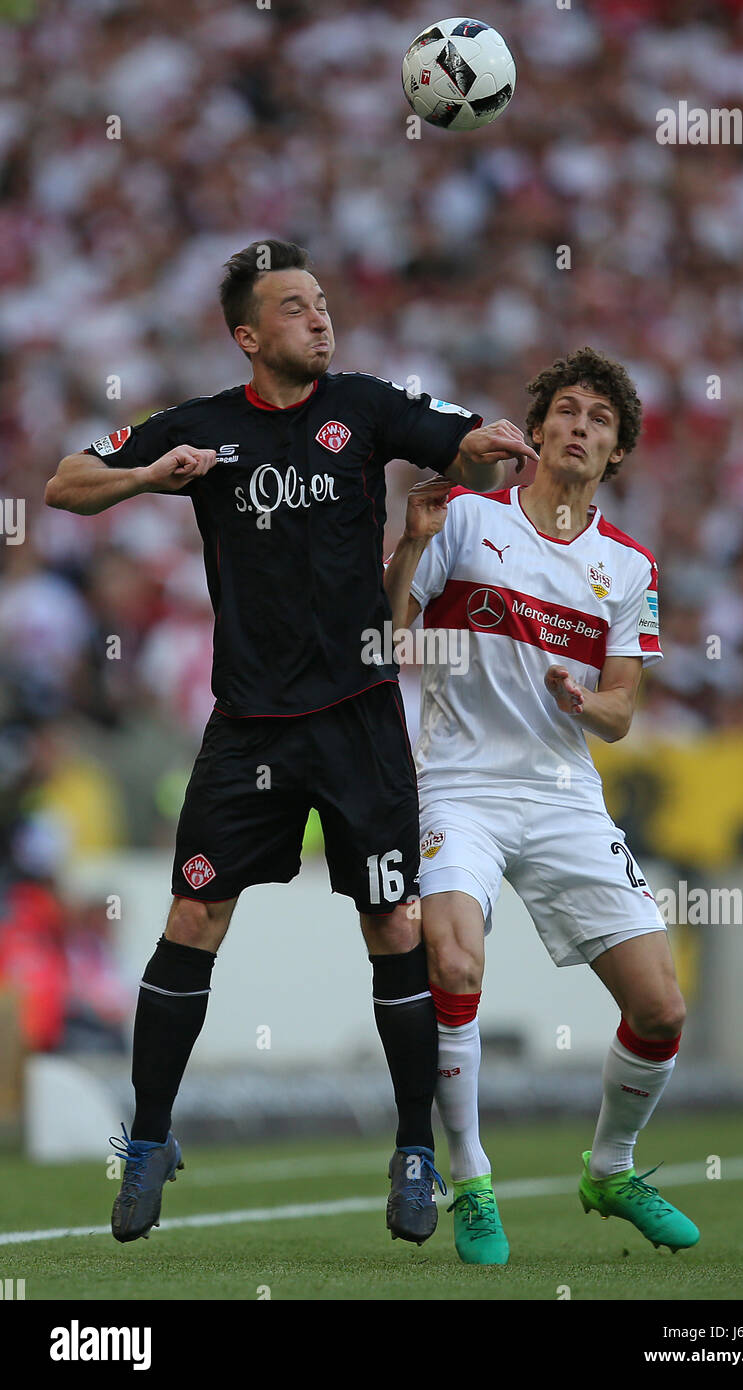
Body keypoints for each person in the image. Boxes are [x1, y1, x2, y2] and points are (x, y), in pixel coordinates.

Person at [45, 238, 537, 1246]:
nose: (319, 317)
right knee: (192, 917)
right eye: (295, 307)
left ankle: (411, 1146)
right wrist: (149, 477)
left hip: (358, 717)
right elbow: (62, 483)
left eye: (321, 301)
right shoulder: (200, 427)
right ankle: (148, 1137)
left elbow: (464, 444)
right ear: (248, 334)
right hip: (247, 728)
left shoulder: (365, 404)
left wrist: (489, 438)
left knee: (393, 928)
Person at [384, 346, 699, 1265]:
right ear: (536, 430)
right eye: (564, 410)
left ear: (615, 455)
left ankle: (610, 1167)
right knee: (450, 953)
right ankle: (472, 1180)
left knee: (662, 1009)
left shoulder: (627, 566)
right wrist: (409, 541)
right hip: (458, 784)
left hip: (562, 794)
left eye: (598, 421)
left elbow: (620, 714)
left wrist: (580, 698)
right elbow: (387, 627)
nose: (577, 427)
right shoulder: (467, 517)